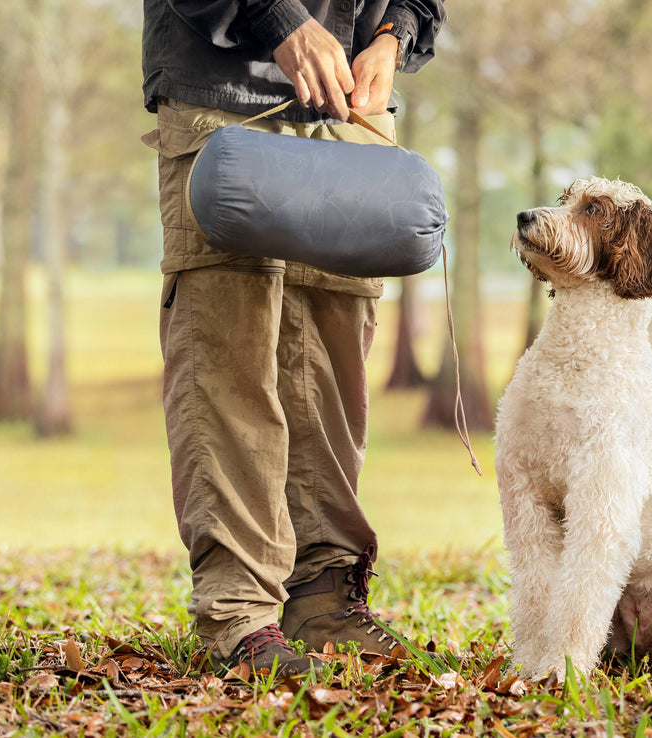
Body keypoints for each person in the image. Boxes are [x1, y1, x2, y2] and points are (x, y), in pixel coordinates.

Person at [141, 0, 446, 676]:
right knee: (229, 358)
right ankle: (239, 617)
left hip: (350, 111)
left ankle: (324, 600)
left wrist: (393, 39)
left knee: (333, 368)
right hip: (218, 93)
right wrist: (281, 21)